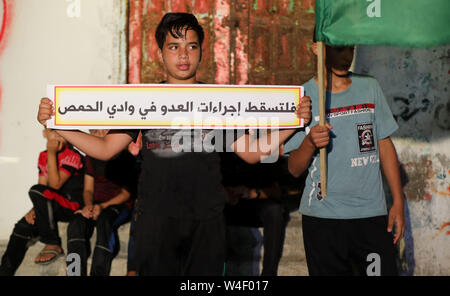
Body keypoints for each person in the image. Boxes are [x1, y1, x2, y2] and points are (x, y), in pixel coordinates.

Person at [37, 13, 311, 276]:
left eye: (191, 46)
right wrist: (57, 125)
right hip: (156, 221)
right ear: (160, 53)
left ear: (201, 51)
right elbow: (105, 148)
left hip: (207, 222)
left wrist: (294, 123)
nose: (183, 55)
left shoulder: (221, 101)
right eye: (174, 47)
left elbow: (252, 153)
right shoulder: (143, 101)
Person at [284, 41, 405, 276]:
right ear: (316, 48)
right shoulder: (304, 98)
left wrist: (397, 202)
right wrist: (310, 142)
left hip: (371, 216)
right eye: (338, 48)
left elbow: (384, 145)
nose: (346, 55)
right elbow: (294, 169)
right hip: (323, 220)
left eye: (350, 48)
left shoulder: (369, 87)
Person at [0, 128, 84, 275]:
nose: (58, 134)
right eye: (52, 130)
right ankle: (5, 271)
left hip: (71, 206)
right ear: (44, 134)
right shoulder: (43, 156)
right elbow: (43, 188)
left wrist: (51, 152)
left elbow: (55, 185)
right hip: (51, 204)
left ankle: (53, 242)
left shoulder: (73, 155)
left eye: (62, 130)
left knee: (36, 190)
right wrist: (34, 210)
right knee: (23, 226)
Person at [67, 129, 138, 276]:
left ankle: (98, 272)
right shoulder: (91, 157)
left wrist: (102, 207)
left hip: (118, 205)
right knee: (76, 223)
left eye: (101, 131)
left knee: (105, 221)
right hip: (95, 203)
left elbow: (126, 195)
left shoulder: (126, 158)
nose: (98, 135)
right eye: (94, 131)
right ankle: (74, 272)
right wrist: (88, 206)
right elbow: (88, 189)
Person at [221, 152, 287, 276]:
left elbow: (277, 192)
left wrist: (253, 192)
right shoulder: (220, 148)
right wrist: (224, 194)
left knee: (275, 211)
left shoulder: (262, 149)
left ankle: (269, 274)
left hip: (254, 203)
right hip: (222, 205)